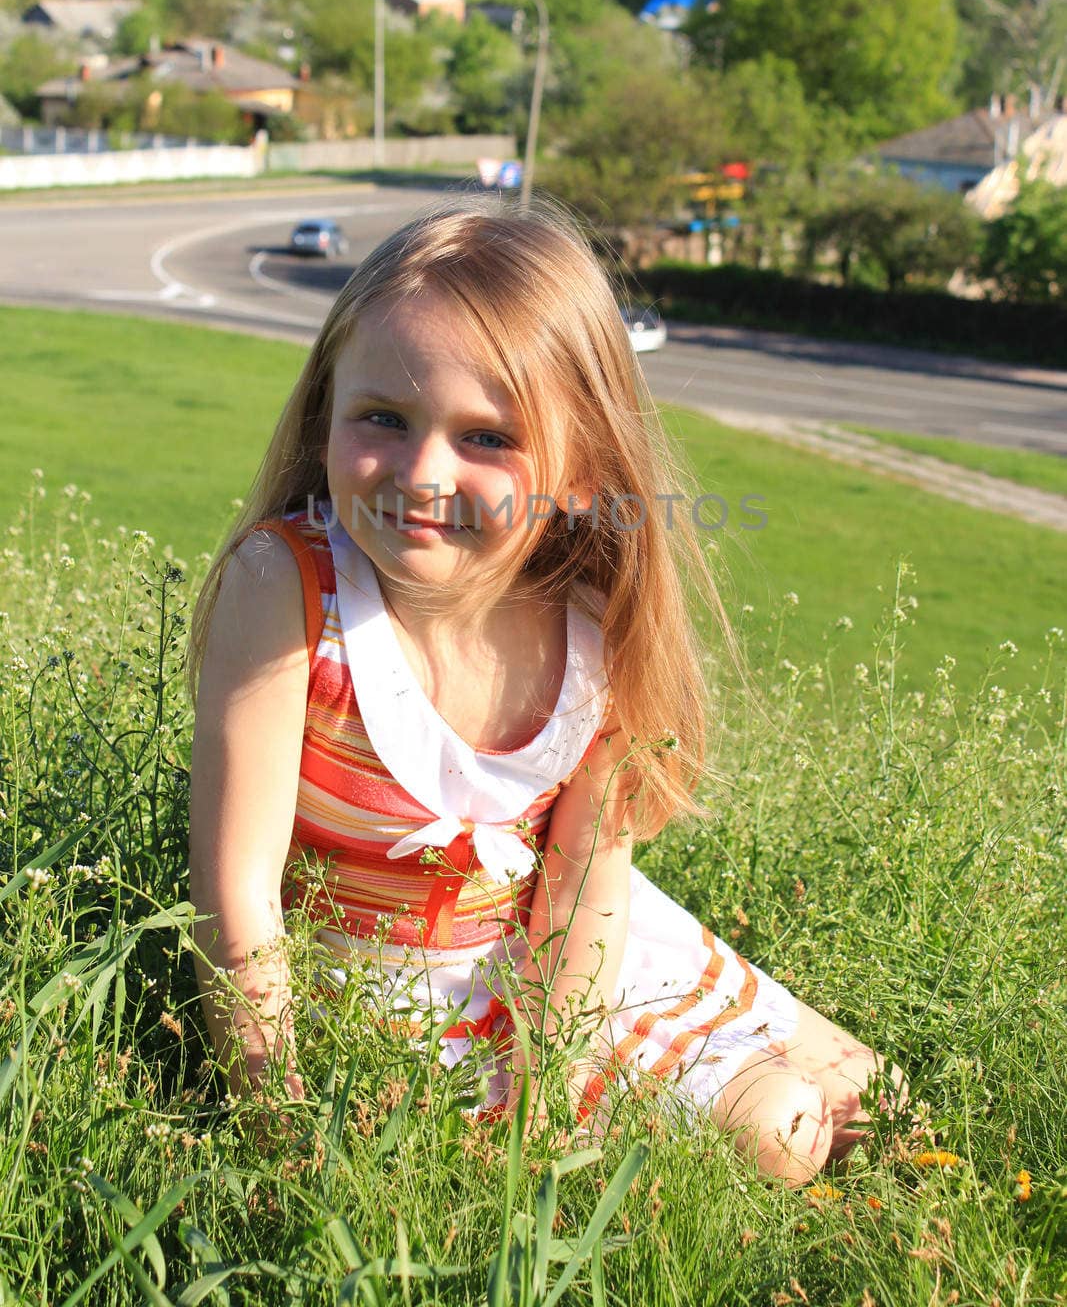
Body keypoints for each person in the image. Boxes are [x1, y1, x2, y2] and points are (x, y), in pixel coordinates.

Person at [187, 199, 909, 1188]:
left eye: (486, 437)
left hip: (560, 962)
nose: (420, 472)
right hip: (376, 990)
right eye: (381, 419)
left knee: (866, 1104)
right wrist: (278, 1126)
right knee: (779, 1135)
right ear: (324, 419)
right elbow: (236, 897)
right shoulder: (288, 591)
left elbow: (579, 891)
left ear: (577, 467)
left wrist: (544, 1085)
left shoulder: (591, 625)